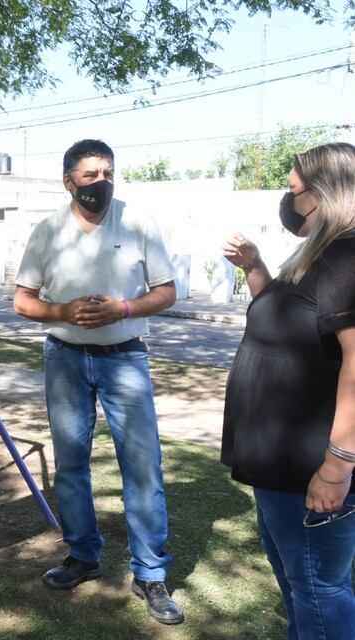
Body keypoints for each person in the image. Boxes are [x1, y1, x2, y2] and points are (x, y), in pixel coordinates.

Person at [13, 139, 184, 625]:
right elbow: (23, 301)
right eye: (90, 175)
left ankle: (150, 573)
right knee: (71, 464)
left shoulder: (137, 223)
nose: (101, 182)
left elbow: (167, 291)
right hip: (65, 357)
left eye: (108, 172)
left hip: (125, 357)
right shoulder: (48, 231)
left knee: (143, 467)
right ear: (69, 181)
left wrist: (124, 308)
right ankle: (83, 556)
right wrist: (63, 311)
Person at [221, 142, 355, 640]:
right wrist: (255, 268)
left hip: (310, 467)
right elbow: (286, 322)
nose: (289, 198)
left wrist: (338, 468)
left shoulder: (346, 254)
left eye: (295, 189)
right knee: (300, 583)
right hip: (280, 463)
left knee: (319, 587)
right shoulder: (321, 251)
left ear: (322, 194)